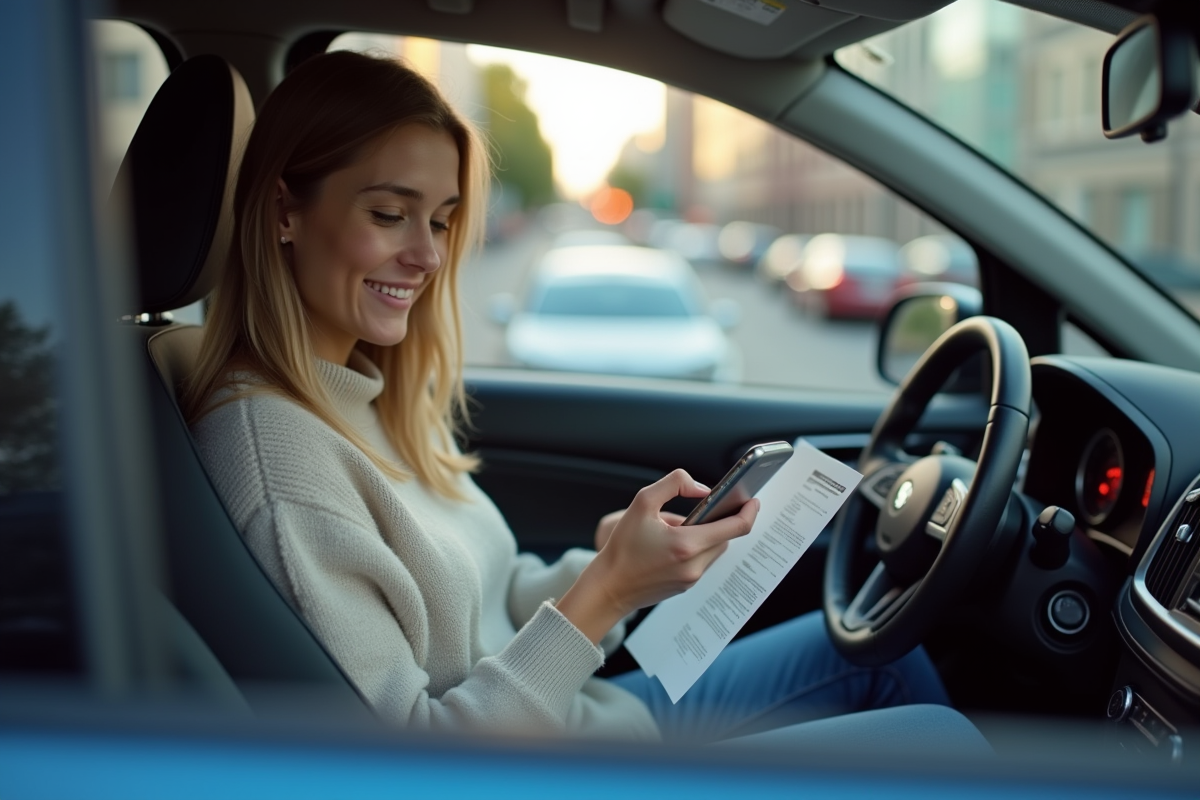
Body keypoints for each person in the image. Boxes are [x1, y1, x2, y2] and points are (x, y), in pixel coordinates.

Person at [183, 50, 967, 747]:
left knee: (880, 651)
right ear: (286, 212)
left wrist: (609, 562)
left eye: (444, 221)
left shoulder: (363, 395)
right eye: (389, 214)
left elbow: (485, 609)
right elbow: (421, 763)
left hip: (587, 713)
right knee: (940, 739)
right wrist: (607, 591)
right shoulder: (279, 465)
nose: (425, 255)